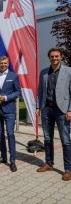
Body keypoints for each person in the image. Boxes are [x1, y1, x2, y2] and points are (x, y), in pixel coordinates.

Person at [36, 48, 71, 181]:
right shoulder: (44, 73)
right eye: (52, 56)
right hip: (47, 110)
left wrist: (70, 110)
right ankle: (49, 164)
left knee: (66, 140)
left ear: (61, 57)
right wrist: (38, 106)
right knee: (47, 138)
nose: (54, 58)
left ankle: (68, 169)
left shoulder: (68, 71)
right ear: (49, 58)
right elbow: (39, 91)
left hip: (62, 111)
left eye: (57, 56)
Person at [0, 56, 21, 172]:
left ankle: (12, 161)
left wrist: (6, 97)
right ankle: (3, 157)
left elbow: (18, 91)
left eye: (5, 63)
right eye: (1, 63)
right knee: (0, 135)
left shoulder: (13, 76)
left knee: (10, 134)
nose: (3, 65)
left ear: (8, 64)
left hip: (9, 110)